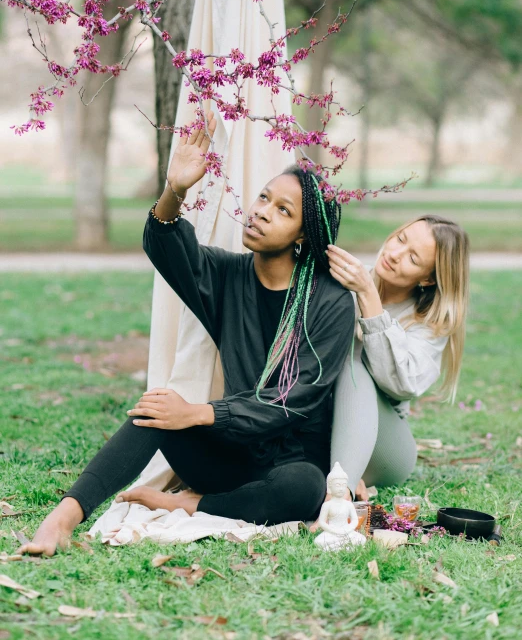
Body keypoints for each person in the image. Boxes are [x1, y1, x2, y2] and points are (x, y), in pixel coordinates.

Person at [18, 113, 355, 556]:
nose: (260, 211)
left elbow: (290, 401)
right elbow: (167, 247)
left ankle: (194, 503)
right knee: (157, 408)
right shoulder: (228, 275)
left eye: (282, 210)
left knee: (304, 488)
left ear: (303, 238)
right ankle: (63, 518)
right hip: (230, 454)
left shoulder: (329, 301)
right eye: (263, 198)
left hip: (290, 464)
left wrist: (197, 413)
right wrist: (175, 190)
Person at [327, 214, 470, 502]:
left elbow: (401, 384)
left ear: (428, 278)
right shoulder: (346, 281)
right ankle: (339, 474)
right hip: (324, 429)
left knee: (353, 366)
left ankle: (338, 501)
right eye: (400, 239)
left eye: (413, 258)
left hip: (385, 447)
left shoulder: (429, 322)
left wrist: (368, 296)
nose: (394, 254)